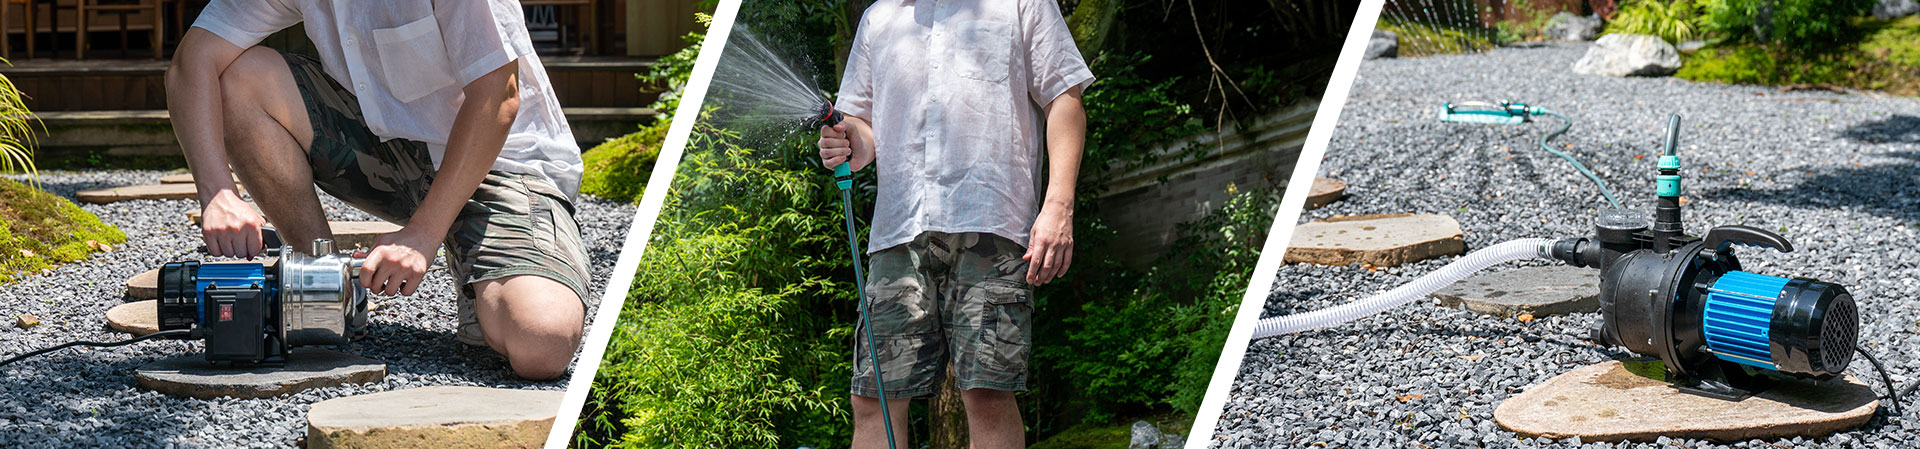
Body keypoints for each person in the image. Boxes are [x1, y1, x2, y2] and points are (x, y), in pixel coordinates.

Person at [166, 0, 591, 380]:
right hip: (389, 149)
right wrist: (219, 193)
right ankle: (325, 286)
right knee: (237, 79)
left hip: (496, 166)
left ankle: (472, 259)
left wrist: (422, 236)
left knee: (541, 340)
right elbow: (192, 61)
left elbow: (498, 96)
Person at [816, 0, 1092, 447]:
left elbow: (1065, 98)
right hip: (899, 232)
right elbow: (863, 126)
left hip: (992, 225)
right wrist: (848, 141)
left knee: (987, 393)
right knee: (873, 398)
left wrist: (1058, 205)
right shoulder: (878, 18)